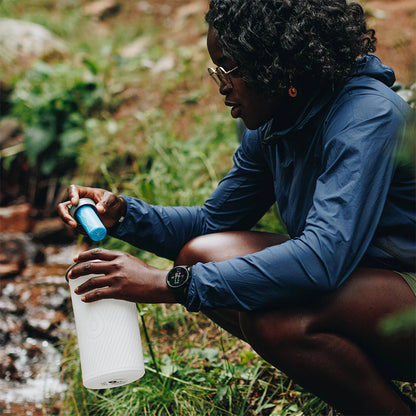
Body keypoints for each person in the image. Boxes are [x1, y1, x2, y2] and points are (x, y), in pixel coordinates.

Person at [58, 0, 416, 414]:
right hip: (362, 283)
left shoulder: (367, 117)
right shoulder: (277, 122)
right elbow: (213, 223)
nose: (221, 85)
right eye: (216, 70)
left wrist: (166, 284)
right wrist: (123, 215)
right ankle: (352, 380)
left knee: (275, 318)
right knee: (201, 254)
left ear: (277, 63)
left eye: (228, 68)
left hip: (403, 289)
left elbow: (322, 259)